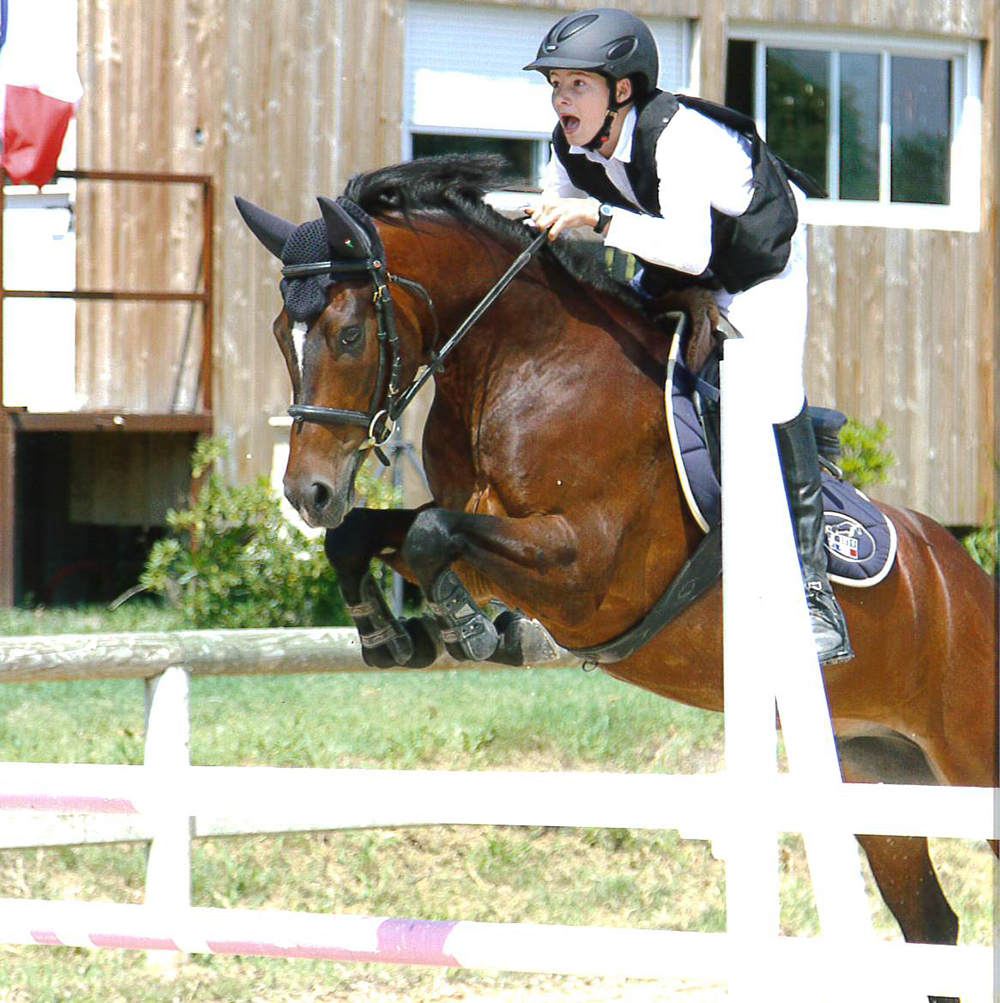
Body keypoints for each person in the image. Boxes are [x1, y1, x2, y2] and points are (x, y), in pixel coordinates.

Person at [522, 7, 853, 666]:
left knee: (767, 385)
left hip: (758, 260)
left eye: (577, 85)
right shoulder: (569, 148)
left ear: (622, 90)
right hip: (679, 259)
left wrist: (597, 217)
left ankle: (815, 592)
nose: (561, 99)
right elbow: (553, 233)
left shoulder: (680, 137)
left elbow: (692, 248)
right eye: (556, 85)